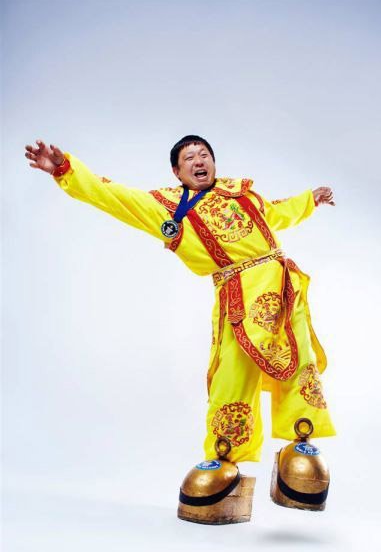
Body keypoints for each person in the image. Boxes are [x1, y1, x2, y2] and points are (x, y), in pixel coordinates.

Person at [24, 136, 336, 467]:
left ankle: (301, 441)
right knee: (231, 376)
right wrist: (64, 169)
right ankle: (225, 456)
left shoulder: (241, 193)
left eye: (204, 155)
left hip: (283, 286)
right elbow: (113, 196)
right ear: (177, 171)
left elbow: (274, 213)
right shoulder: (168, 207)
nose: (199, 161)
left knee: (299, 361)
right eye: (189, 158)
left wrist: (309, 201)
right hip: (237, 297)